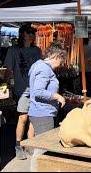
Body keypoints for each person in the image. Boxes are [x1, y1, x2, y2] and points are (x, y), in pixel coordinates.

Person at [3, 24, 42, 160]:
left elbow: (40, 69)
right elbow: (8, 69)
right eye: (29, 32)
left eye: (33, 32)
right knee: (23, 117)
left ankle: (30, 145)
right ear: (22, 34)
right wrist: (4, 83)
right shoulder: (13, 50)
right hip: (22, 89)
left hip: (36, 89)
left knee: (32, 117)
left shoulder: (37, 50)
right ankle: (18, 145)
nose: (32, 35)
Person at [27, 41, 67, 171]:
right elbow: (38, 92)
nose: (61, 64)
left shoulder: (38, 65)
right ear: (55, 56)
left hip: (40, 113)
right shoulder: (44, 68)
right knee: (42, 149)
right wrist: (57, 96)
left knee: (41, 147)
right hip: (43, 114)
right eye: (61, 59)